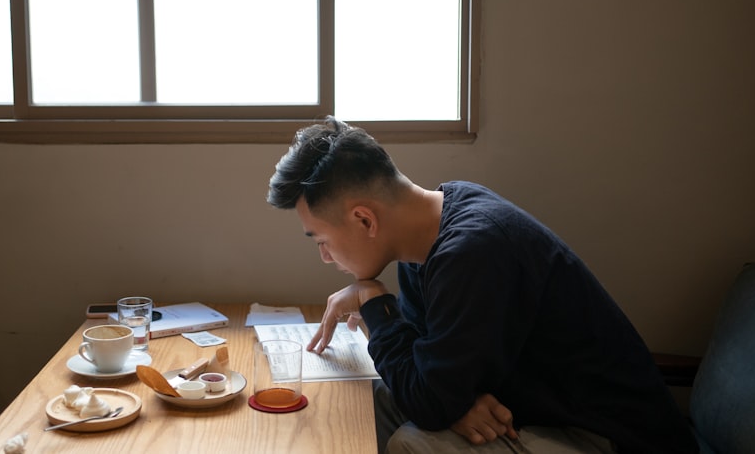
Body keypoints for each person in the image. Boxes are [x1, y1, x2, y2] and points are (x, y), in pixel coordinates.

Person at [266, 117, 697, 453]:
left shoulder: (473, 251)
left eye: (322, 241)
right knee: (371, 396)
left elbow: (431, 396)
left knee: (411, 443)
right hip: (528, 408)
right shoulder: (431, 228)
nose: (324, 256)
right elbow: (427, 365)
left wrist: (373, 301)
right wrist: (451, 404)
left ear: (364, 219)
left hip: (605, 438)